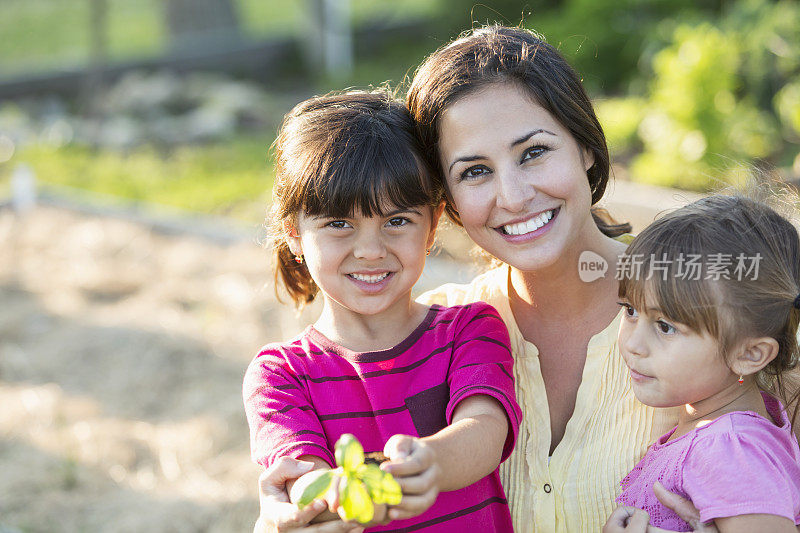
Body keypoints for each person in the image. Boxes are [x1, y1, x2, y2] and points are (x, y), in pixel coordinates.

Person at [255, 25, 712, 532]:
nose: (513, 197)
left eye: (534, 152)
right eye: (474, 171)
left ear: (585, 146)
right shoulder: (438, 327)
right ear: (444, 201)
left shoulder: (711, 305)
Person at [244, 88, 522, 532]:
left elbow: (484, 431)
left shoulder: (470, 329)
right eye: (339, 224)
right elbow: (301, 474)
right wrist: (333, 494)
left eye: (397, 221)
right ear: (294, 233)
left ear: (431, 226)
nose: (370, 251)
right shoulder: (280, 374)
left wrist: (427, 461)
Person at [603, 194, 800, 532]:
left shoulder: (729, 449)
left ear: (749, 354)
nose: (633, 344)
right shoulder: (718, 431)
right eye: (630, 310)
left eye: (665, 326)